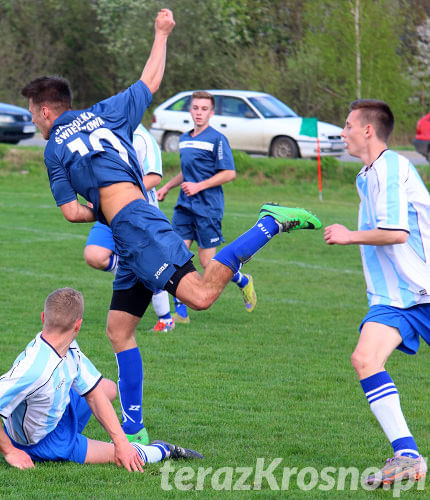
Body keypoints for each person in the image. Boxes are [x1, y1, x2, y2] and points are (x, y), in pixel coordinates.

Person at [21, 8, 321, 445]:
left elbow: (71, 213)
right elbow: (151, 81)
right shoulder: (106, 112)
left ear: (46, 111)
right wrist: (161, 33)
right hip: (133, 228)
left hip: (135, 228)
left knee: (199, 296)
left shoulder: (52, 150)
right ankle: (135, 426)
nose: (32, 120)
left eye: (32, 113)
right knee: (119, 330)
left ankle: (270, 224)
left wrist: (100, 211)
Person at [0, 287, 202, 470]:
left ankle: (109, 441)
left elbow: (94, 393)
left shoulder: (67, 347)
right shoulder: (35, 370)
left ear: (43, 317)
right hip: (45, 442)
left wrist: (120, 440)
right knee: (120, 456)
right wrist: (10, 452)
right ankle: (164, 450)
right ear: (78, 325)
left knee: (108, 388)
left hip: (55, 411)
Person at [324, 99, 429, 486]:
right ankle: (407, 456)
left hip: (424, 288)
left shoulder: (391, 168)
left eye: (348, 125)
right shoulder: (367, 174)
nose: (343, 131)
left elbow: (397, 232)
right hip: (394, 298)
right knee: (365, 359)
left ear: (368, 130)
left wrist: (349, 236)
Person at [156, 91, 256, 324]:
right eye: (196, 108)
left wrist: (200, 186)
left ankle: (243, 280)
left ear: (211, 113)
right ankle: (181, 312)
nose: (199, 112)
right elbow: (186, 172)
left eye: (204, 109)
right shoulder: (184, 138)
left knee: (207, 264)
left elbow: (229, 173)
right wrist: (167, 187)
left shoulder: (217, 139)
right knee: (176, 256)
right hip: (184, 206)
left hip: (208, 208)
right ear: (190, 110)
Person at [84, 124, 176, 332]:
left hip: (138, 213)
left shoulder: (143, 138)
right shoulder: (105, 135)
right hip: (109, 211)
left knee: (151, 267)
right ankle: (139, 270)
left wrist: (120, 191)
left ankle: (166, 319)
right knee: (94, 255)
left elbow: (154, 177)